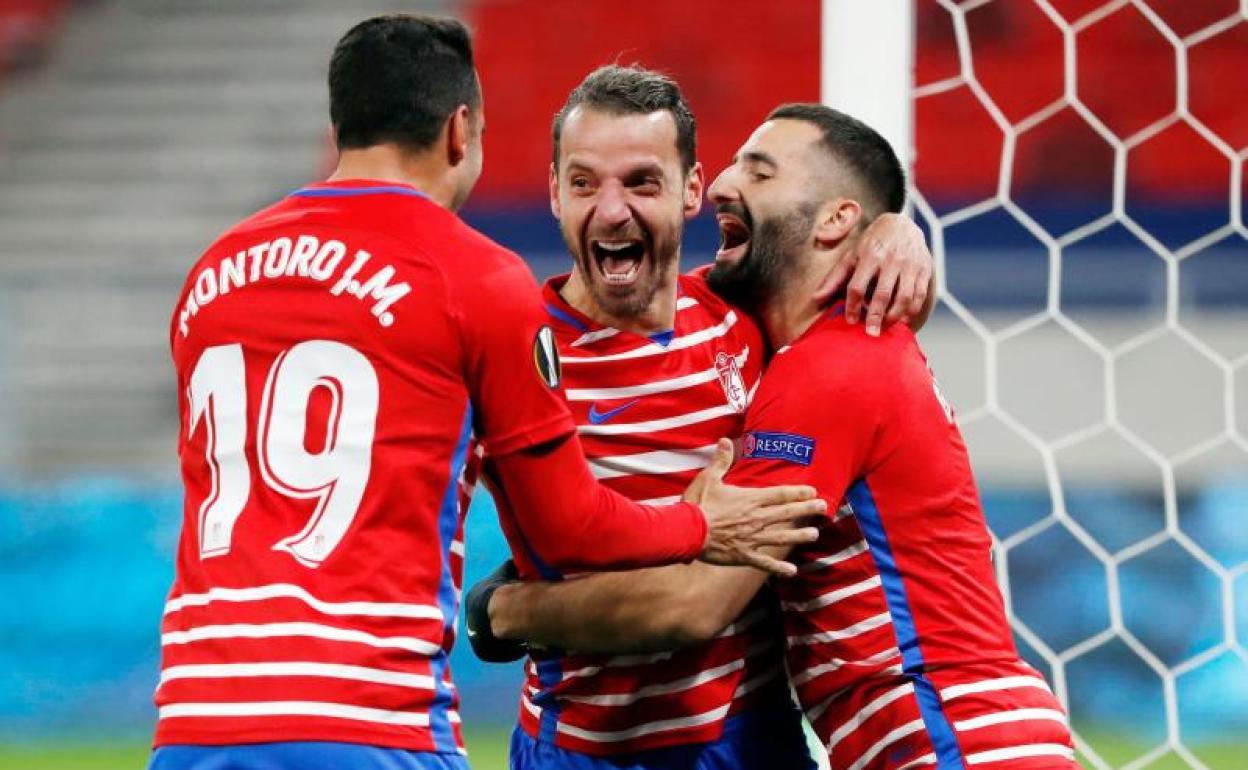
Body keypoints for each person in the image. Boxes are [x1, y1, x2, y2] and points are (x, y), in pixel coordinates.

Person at [148, 18, 827, 770]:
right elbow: (574, 529)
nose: (611, 210)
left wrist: (893, 235)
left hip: (193, 709)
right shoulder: (484, 292)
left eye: (641, 181)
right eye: (583, 182)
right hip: (377, 711)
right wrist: (699, 527)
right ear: (461, 131)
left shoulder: (212, 273)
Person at [476, 104, 1077, 769]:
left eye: (759, 173)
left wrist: (505, 610)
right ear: (556, 192)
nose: (733, 184)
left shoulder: (823, 369)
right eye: (585, 182)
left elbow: (695, 602)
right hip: (946, 729)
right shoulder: (779, 331)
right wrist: (890, 231)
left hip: (943, 732)